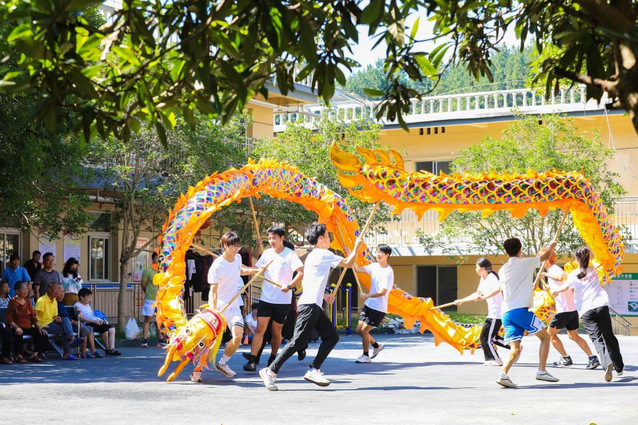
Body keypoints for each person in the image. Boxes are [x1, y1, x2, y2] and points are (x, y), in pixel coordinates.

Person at [259, 222, 363, 391]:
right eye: (328, 236)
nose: (329, 240)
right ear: (320, 238)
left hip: (314, 303)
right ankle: (270, 371)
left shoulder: (314, 256)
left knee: (331, 337)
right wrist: (356, 248)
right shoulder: (323, 253)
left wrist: (324, 295)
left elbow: (310, 281)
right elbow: (349, 263)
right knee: (297, 341)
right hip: (310, 305)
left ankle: (314, 369)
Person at [190, 232, 262, 383]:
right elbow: (213, 291)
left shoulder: (238, 258)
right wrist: (213, 311)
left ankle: (222, 363)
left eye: (238, 246)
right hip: (219, 307)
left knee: (238, 336)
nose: (237, 249)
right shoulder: (217, 265)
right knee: (210, 342)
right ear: (225, 245)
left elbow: (240, 270)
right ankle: (197, 370)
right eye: (233, 246)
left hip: (233, 306)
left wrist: (257, 270)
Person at [496, 237, 559, 388]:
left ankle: (503, 374)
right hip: (520, 311)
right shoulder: (525, 262)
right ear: (520, 250)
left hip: (506, 312)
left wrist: (527, 288)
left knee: (515, 348)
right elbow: (545, 257)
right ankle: (541, 371)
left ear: (506, 252)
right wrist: (552, 246)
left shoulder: (502, 269)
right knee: (545, 337)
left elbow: (510, 288)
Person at [243, 226, 304, 372]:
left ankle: (273, 357)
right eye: (269, 238)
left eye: (274, 238)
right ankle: (252, 360)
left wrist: (289, 286)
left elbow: (301, 272)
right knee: (260, 329)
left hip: (282, 300)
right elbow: (256, 269)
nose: (271, 241)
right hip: (266, 298)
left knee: (276, 332)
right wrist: (259, 270)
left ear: (282, 238)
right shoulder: (267, 253)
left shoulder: (290, 255)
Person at [568, 246, 624, 382]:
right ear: (588, 257)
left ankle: (607, 363)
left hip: (586, 310)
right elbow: (601, 255)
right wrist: (590, 249)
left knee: (597, 339)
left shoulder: (573, 275)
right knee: (609, 336)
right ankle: (619, 366)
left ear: (577, 259)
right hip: (601, 306)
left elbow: (567, 289)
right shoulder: (595, 268)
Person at [540, 248, 599, 370]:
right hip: (571, 309)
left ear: (546, 259)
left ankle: (565, 358)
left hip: (564, 310)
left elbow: (562, 277)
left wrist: (546, 274)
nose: (540, 262)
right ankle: (592, 358)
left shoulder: (554, 269)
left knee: (548, 335)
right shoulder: (553, 270)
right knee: (573, 336)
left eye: (541, 259)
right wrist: (546, 284)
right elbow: (558, 287)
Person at [454, 257, 508, 366]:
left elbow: (498, 289)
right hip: (493, 313)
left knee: (485, 338)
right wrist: (462, 301)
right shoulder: (483, 279)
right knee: (493, 338)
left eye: (477, 267)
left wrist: (484, 297)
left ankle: (496, 359)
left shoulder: (492, 277)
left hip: (496, 313)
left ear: (483, 269)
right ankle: (515, 347)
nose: (475, 269)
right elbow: (477, 294)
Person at [353, 244, 394, 364]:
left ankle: (366, 356)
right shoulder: (374, 266)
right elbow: (358, 269)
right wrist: (351, 254)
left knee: (364, 331)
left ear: (387, 255)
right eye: (377, 252)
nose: (378, 255)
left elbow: (383, 292)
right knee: (359, 330)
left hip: (378, 307)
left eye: (381, 253)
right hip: (369, 304)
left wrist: (367, 295)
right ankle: (376, 346)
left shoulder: (388, 271)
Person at [35, 282, 83, 360]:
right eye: (55, 289)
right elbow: (34, 314)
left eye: (58, 289)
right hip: (44, 325)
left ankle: (71, 340)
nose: (57, 291)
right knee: (66, 330)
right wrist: (38, 326)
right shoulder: (42, 300)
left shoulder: (54, 301)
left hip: (52, 323)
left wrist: (57, 318)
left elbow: (54, 315)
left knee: (65, 319)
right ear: (49, 289)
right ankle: (68, 350)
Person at [6, 281, 48, 363]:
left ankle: (34, 355)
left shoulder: (28, 301)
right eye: (23, 289)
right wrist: (16, 328)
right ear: (17, 291)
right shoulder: (12, 302)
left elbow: (33, 317)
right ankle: (19, 356)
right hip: (17, 326)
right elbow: (9, 318)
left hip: (28, 326)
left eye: (26, 289)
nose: (26, 291)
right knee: (18, 334)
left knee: (42, 334)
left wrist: (39, 328)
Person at [56, 289, 102, 358]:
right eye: (61, 292)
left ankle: (93, 350)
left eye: (63, 292)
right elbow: (62, 318)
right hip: (66, 324)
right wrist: (74, 322)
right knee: (84, 329)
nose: (63, 294)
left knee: (90, 329)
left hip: (72, 323)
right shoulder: (56, 304)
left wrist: (74, 321)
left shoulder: (61, 304)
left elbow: (68, 317)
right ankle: (83, 351)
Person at [75, 288, 121, 356]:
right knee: (104, 330)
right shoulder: (77, 306)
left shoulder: (87, 305)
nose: (90, 299)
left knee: (112, 329)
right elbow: (81, 318)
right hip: (88, 323)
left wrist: (98, 319)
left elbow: (91, 314)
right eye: (88, 297)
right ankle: (107, 349)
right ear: (81, 297)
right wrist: (94, 321)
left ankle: (112, 348)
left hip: (95, 321)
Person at [141, 252, 166, 348]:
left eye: (160, 259)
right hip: (150, 299)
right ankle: (144, 340)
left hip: (160, 299)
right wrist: (147, 292)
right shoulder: (147, 271)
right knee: (147, 319)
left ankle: (161, 340)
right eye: (156, 258)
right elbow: (143, 284)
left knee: (160, 320)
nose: (158, 261)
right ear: (153, 259)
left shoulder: (162, 271)